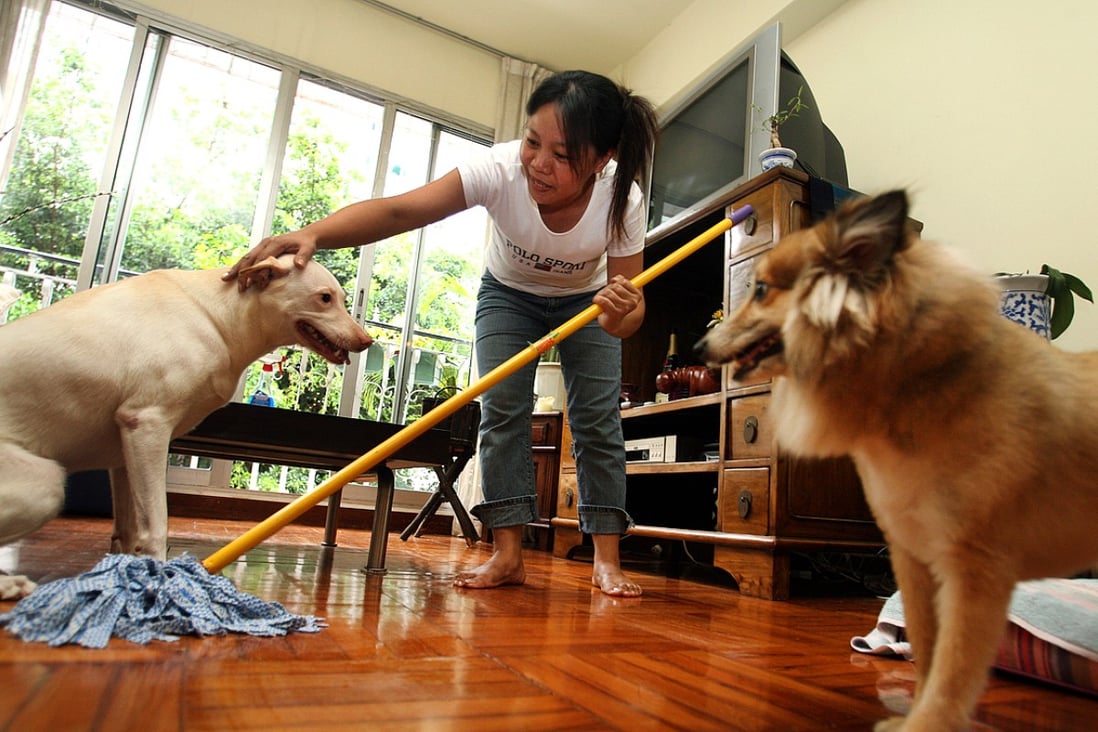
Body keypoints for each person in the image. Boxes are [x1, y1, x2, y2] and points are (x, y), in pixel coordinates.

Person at [225, 70, 659, 597]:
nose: (539, 163)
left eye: (562, 155)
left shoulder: (622, 200)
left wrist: (617, 312)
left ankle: (607, 559)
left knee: (596, 417)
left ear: (602, 158)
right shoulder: (499, 170)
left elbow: (627, 317)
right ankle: (507, 555)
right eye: (532, 141)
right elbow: (399, 210)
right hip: (509, 295)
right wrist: (312, 234)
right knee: (503, 409)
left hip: (587, 302)